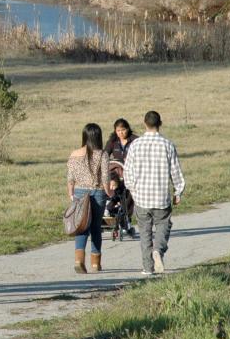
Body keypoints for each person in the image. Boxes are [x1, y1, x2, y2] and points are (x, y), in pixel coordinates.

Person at [123, 110, 186, 276]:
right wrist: (178, 191)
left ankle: (148, 267)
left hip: (141, 198)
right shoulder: (167, 144)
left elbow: (127, 171)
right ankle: (158, 249)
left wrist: (132, 189)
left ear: (144, 124)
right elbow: (176, 172)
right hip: (161, 197)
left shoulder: (135, 145)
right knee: (164, 225)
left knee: (144, 232)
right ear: (160, 124)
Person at [67, 123, 112, 274]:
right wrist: (109, 193)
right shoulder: (103, 154)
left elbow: (70, 178)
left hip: (79, 192)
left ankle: (79, 260)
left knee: (81, 225)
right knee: (95, 228)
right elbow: (105, 178)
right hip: (97, 192)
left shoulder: (74, 154)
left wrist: (71, 193)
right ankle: (95, 264)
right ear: (98, 136)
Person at [104, 118, 137, 236]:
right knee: (115, 188)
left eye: (123, 130)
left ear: (127, 129)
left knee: (128, 196)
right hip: (116, 172)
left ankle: (125, 221)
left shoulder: (135, 140)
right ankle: (110, 207)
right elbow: (105, 154)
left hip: (130, 173)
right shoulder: (113, 141)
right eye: (118, 131)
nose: (121, 133)